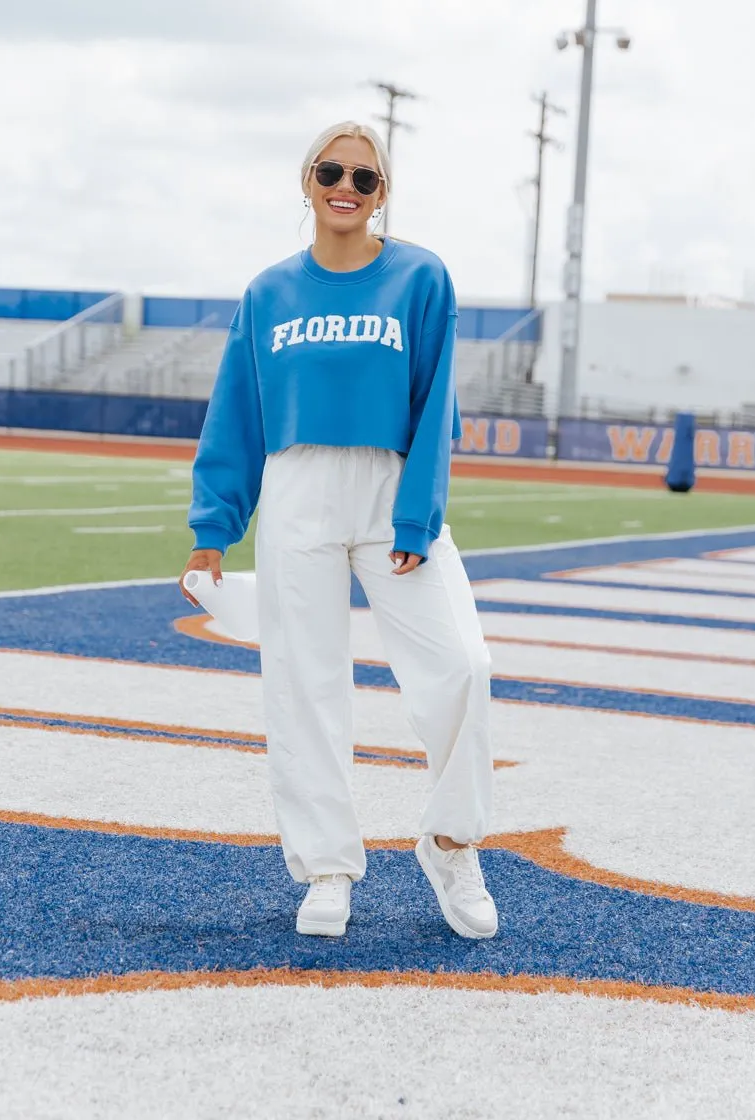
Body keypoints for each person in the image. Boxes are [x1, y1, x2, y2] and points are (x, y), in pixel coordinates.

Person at [180, 121, 497, 941]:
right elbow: (237, 416)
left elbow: (436, 408)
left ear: (383, 191)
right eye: (331, 170)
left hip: (391, 484)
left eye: (365, 175)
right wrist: (213, 525)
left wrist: (417, 515)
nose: (346, 185)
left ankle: (452, 842)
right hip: (298, 490)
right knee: (303, 682)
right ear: (308, 182)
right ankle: (327, 866)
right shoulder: (270, 294)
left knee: (462, 665)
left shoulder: (422, 278)